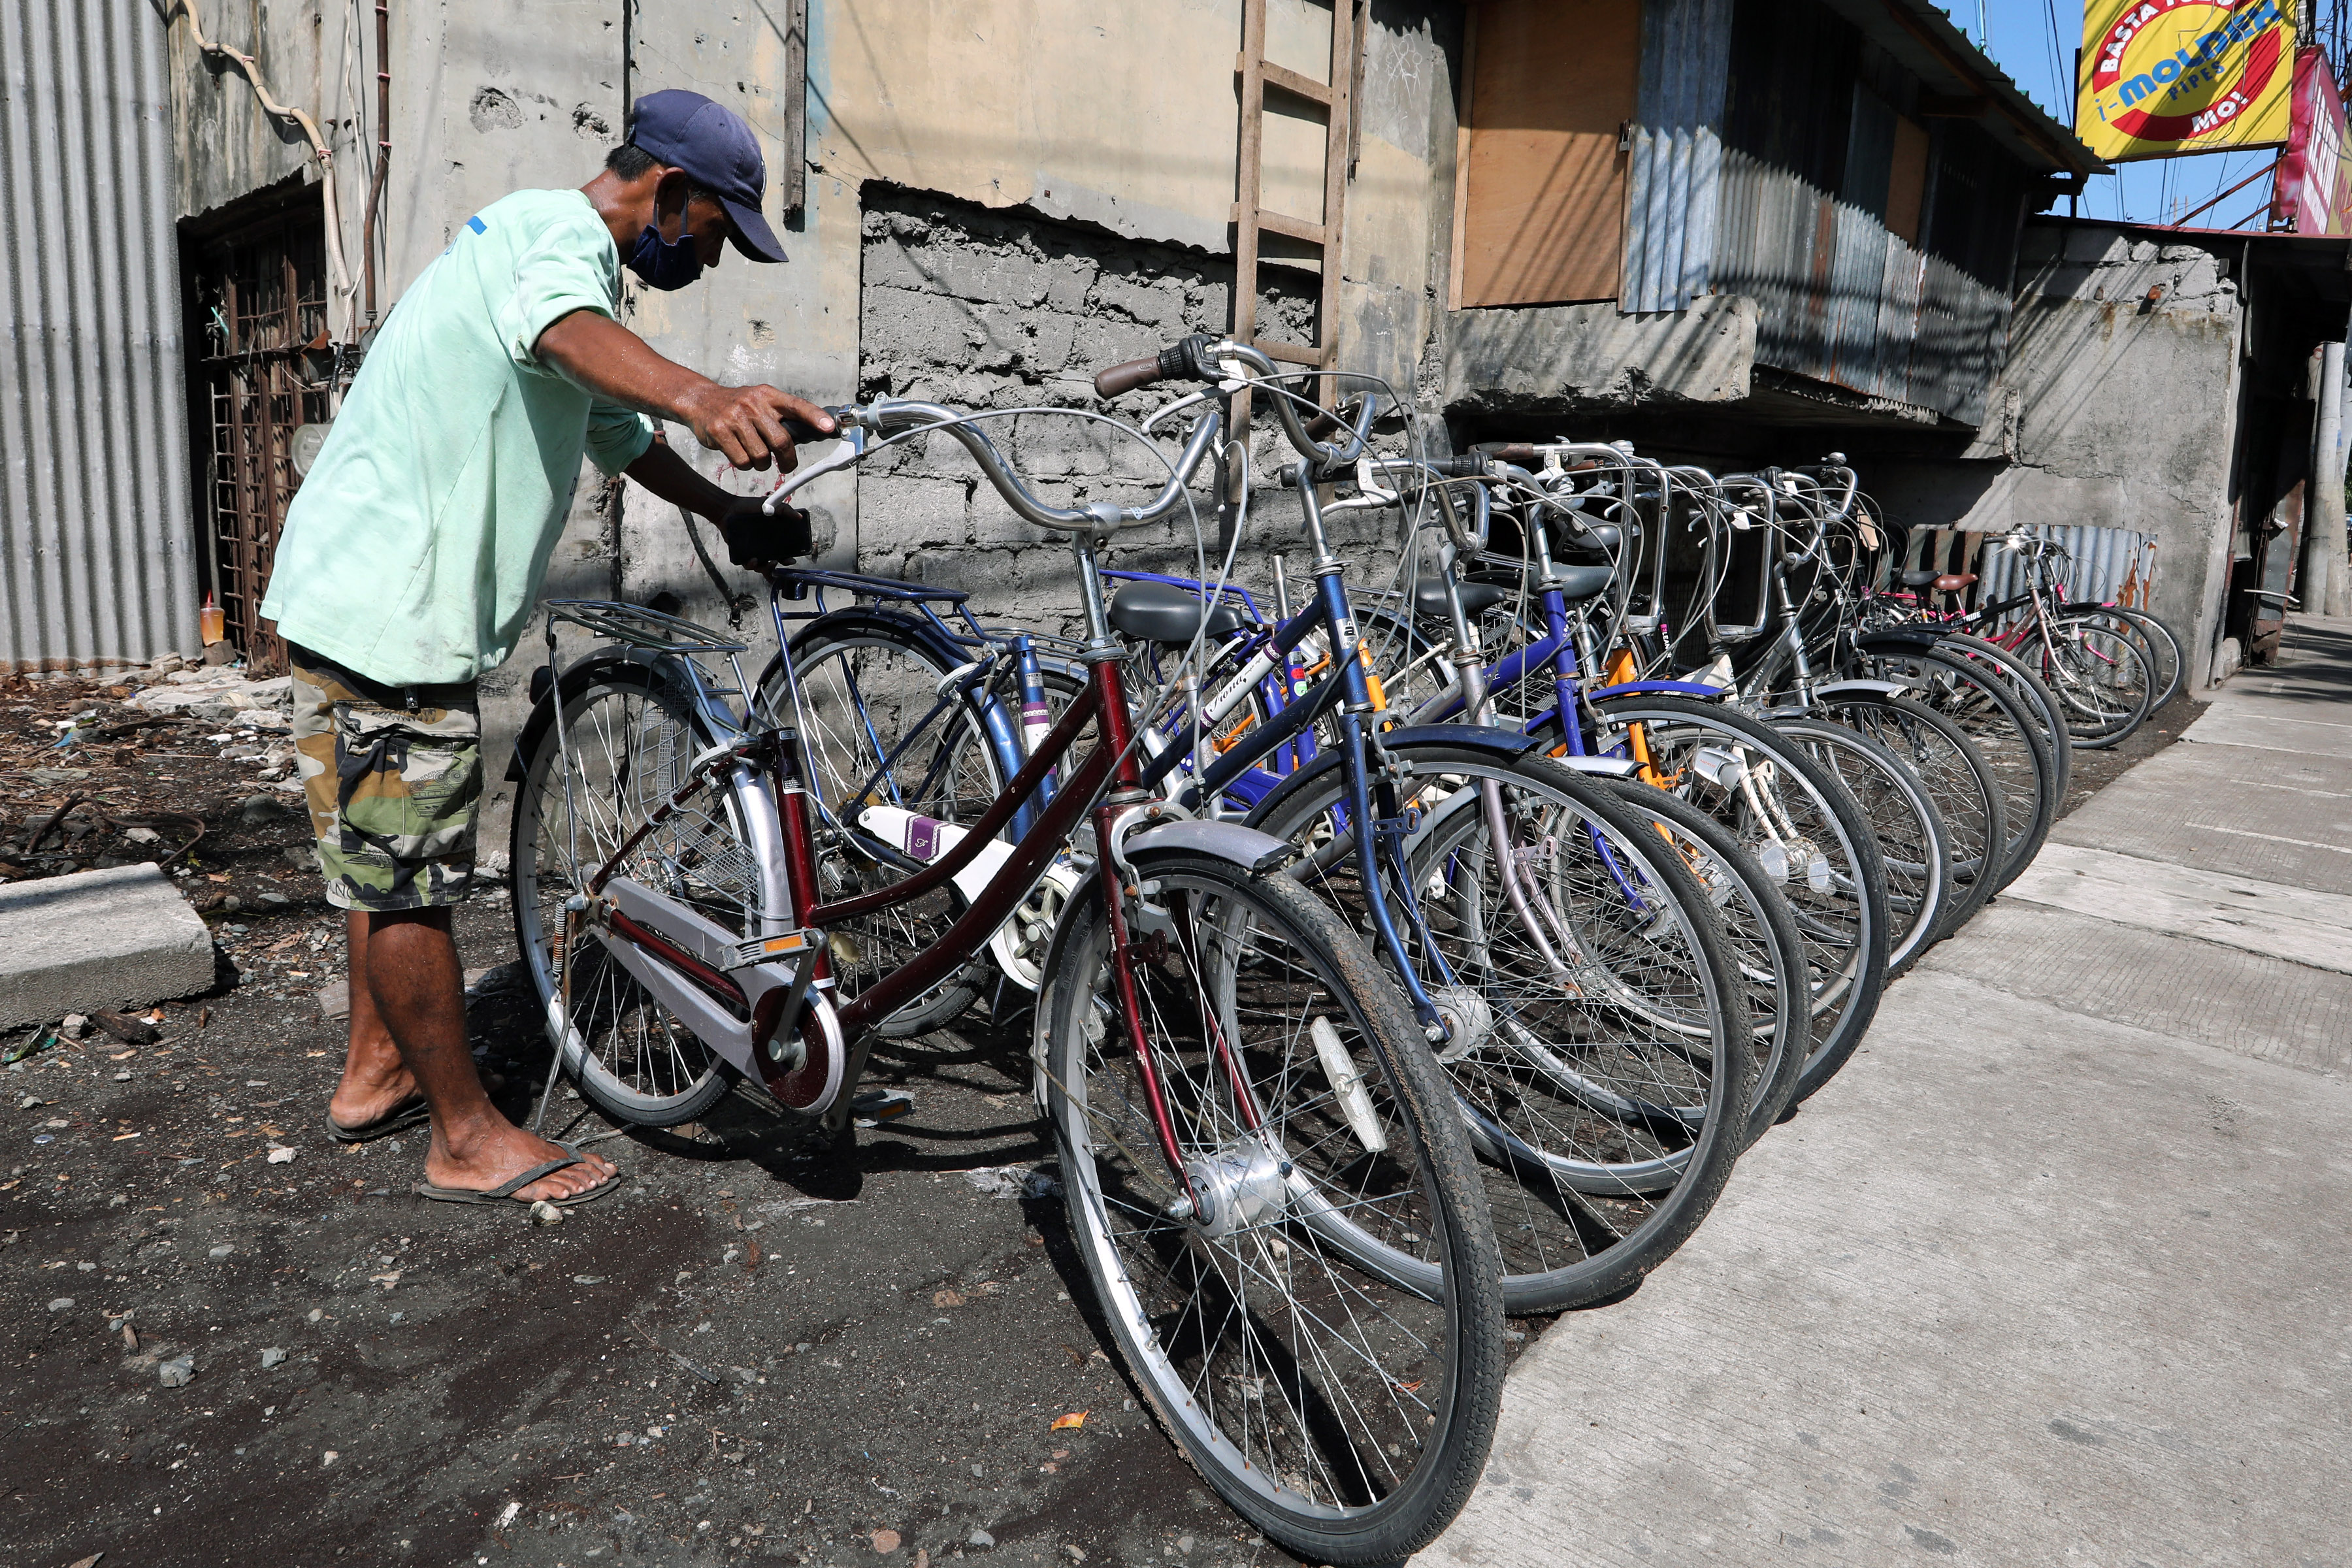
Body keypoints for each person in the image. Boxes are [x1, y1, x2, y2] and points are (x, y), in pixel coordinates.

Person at [257, 89, 834, 1209]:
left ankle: (375, 1074)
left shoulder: (563, 267)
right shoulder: (550, 238)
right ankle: (464, 1139)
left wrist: (724, 510)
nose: (709, 265)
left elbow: (617, 432)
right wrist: (705, 392)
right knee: (413, 871)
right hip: (388, 607)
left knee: (385, 852)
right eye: (714, 235)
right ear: (669, 193)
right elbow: (569, 336)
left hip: (371, 596)